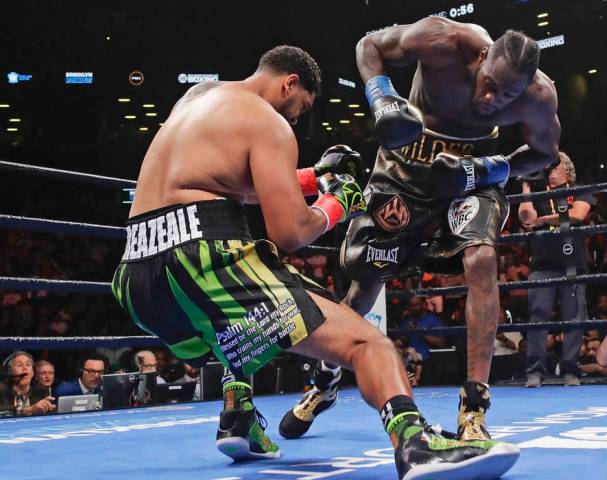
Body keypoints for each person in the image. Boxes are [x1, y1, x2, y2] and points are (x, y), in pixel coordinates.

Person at [110, 45, 519, 477]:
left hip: (137, 273)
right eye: (300, 107)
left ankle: (239, 416)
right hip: (202, 257)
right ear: (290, 82)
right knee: (369, 344)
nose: (294, 120)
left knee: (238, 323)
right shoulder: (268, 122)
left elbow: (236, 181)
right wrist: (337, 202)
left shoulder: (198, 97)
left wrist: (315, 174)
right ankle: (416, 446)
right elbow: (289, 233)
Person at [283, 15, 560, 444]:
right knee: (363, 288)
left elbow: (545, 154)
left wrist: (489, 167)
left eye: (506, 95)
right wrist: (383, 98)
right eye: (489, 83)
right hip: (402, 172)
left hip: (469, 177)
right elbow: (368, 45)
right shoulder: (443, 39)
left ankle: (474, 409)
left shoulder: (538, 97)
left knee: (482, 258)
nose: (491, 98)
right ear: (483, 56)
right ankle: (325, 380)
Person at [517, 152, 595, 387]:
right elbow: (526, 217)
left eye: (554, 168)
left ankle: (570, 369)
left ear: (567, 170)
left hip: (573, 265)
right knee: (538, 318)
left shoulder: (580, 190)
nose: (549, 172)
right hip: (542, 265)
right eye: (547, 169)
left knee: (574, 319)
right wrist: (526, 185)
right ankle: (535, 371)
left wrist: (543, 221)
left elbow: (578, 214)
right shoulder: (540, 194)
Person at [0, 351, 55, 416]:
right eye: (19, 365)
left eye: (28, 365)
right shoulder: (2, 390)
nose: (25, 368)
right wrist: (29, 410)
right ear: (10, 371)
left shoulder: (41, 390)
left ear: (32, 373)